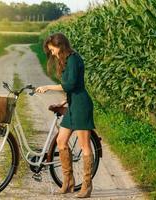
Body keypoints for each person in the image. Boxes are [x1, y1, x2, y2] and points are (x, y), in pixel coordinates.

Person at [36, 33, 95, 198]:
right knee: (61, 141)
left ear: (61, 46)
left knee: (84, 146)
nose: (52, 53)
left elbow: (70, 85)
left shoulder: (74, 60)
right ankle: (68, 181)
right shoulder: (67, 60)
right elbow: (71, 89)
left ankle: (86, 186)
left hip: (81, 105)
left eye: (53, 49)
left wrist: (48, 87)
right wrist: (64, 102)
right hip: (72, 105)